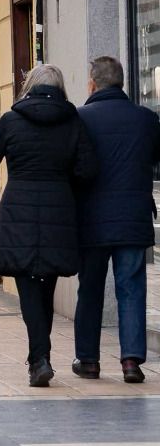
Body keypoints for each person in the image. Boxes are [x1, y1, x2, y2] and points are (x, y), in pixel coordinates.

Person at [0, 64, 99, 388]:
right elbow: (87, 170)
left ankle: (40, 358)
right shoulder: (73, 121)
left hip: (19, 211)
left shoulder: (11, 120)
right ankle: (39, 357)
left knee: (28, 285)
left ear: (28, 86)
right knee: (46, 285)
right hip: (59, 211)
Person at [74, 56, 160, 384]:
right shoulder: (146, 119)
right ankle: (131, 362)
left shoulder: (81, 119)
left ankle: (88, 360)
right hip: (133, 218)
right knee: (132, 288)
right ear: (122, 83)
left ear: (92, 84)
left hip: (92, 219)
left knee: (90, 289)